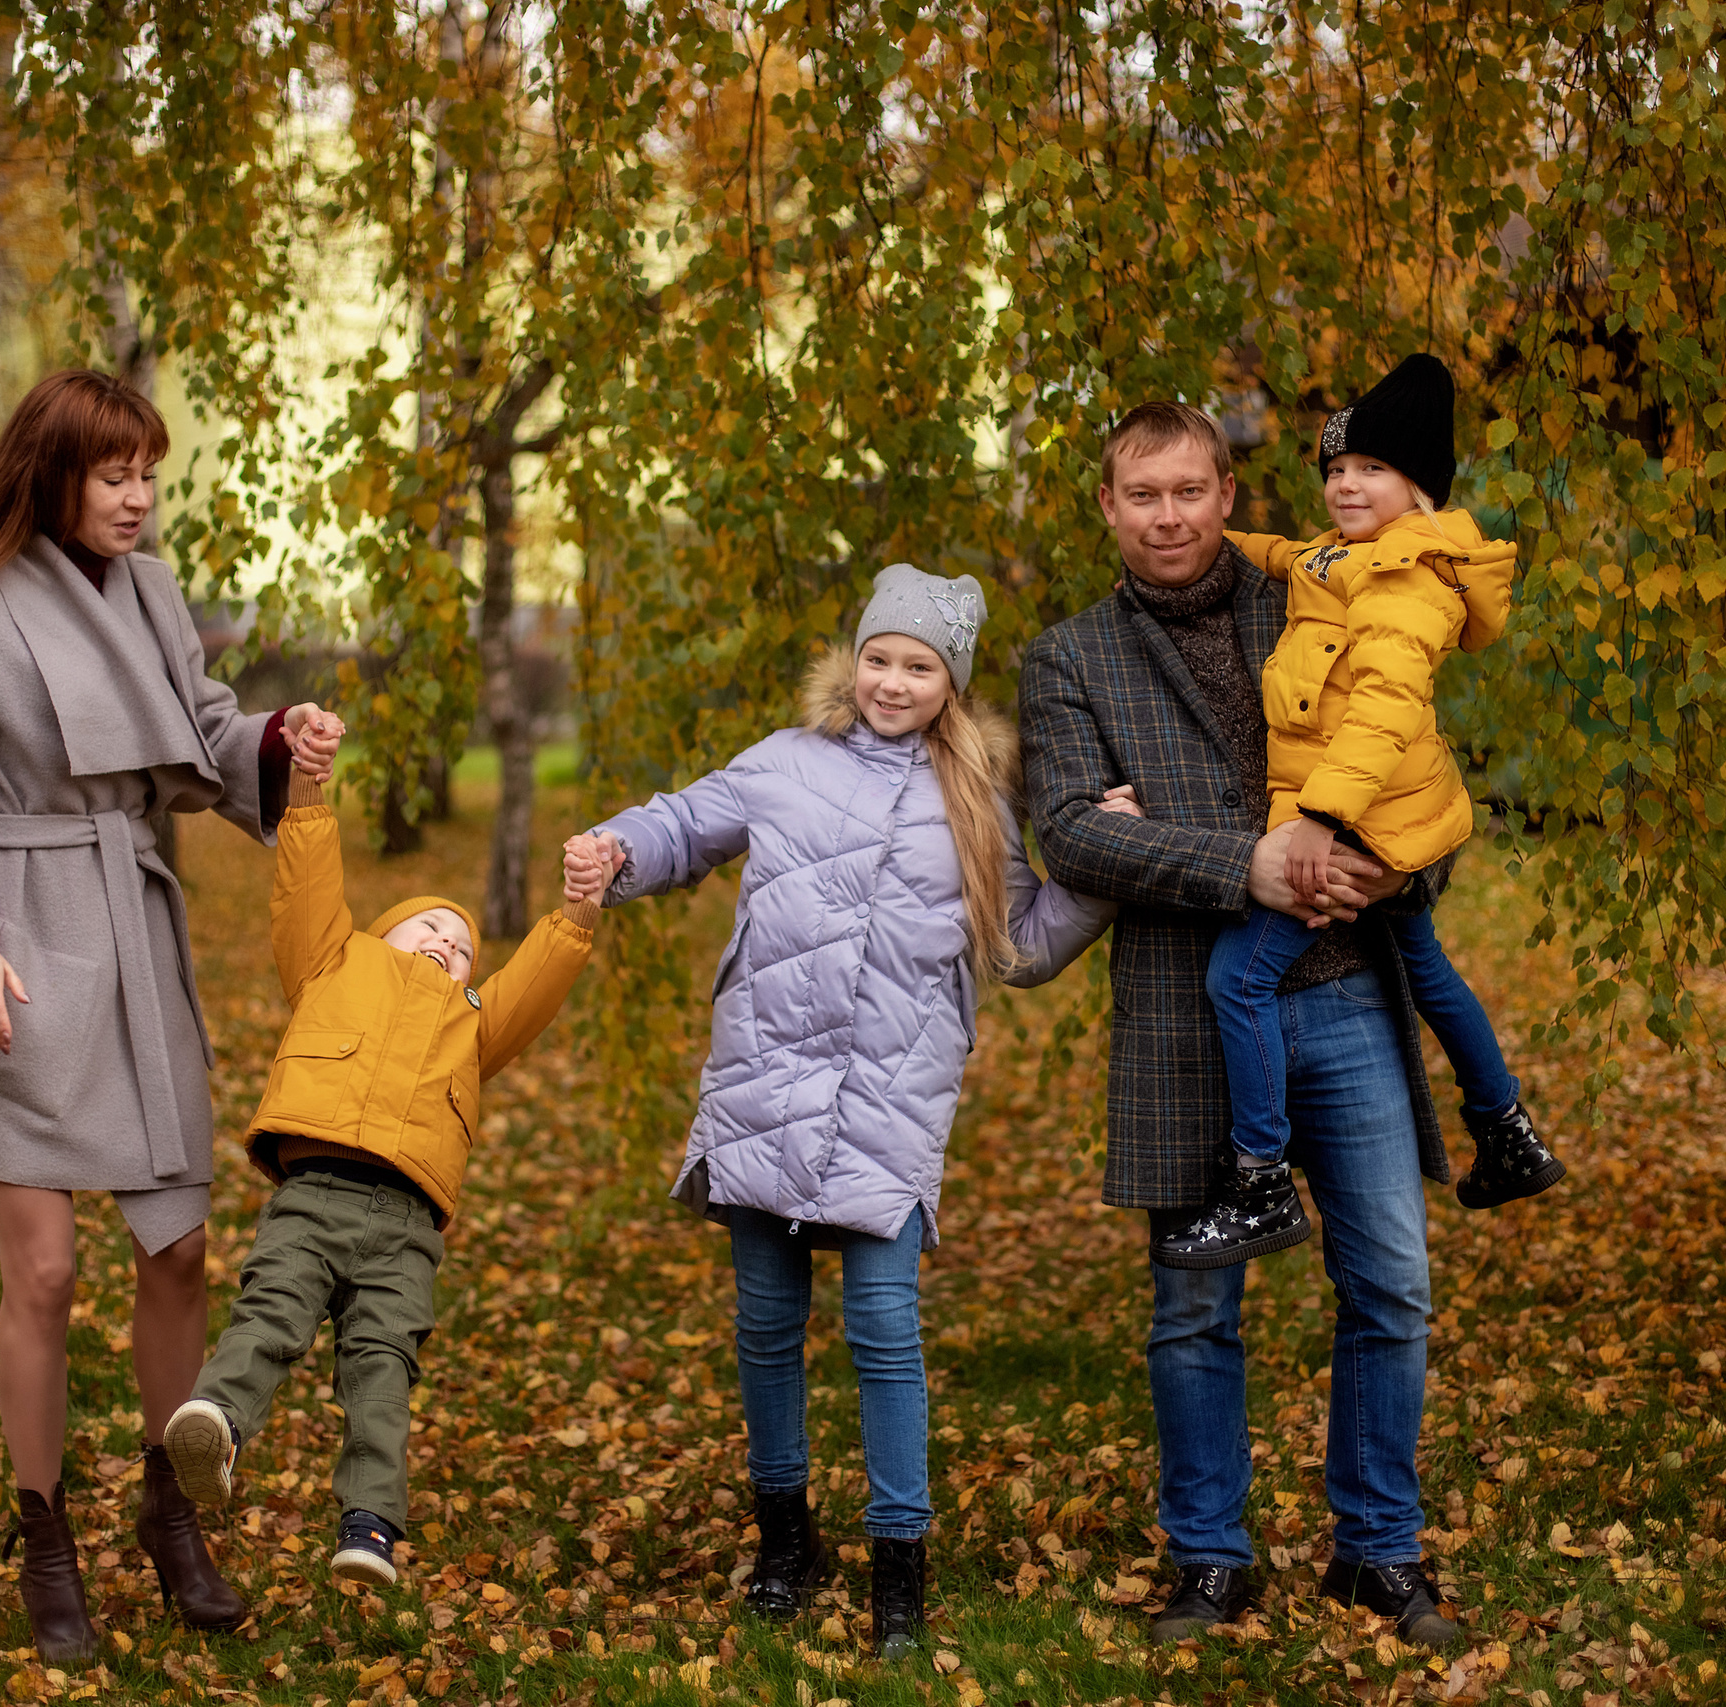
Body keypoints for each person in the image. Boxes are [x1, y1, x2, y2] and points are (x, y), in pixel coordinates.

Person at [0, 369, 344, 1662]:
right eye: (115, 473)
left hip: (133, 934)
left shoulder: (154, 591)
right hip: (7, 946)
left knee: (177, 1251)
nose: (137, 497)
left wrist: (278, 744)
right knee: (47, 1269)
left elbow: (205, 730)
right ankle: (44, 1526)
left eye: (148, 475)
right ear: (51, 472)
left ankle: (168, 1510)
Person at [576, 567, 1116, 1658]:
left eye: (919, 665)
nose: (892, 679)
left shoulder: (975, 806)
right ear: (852, 660)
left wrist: (1105, 868)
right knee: (767, 1331)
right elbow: (686, 822)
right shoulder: (785, 764)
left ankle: (898, 1568)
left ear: (950, 683)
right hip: (765, 1087)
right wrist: (620, 849)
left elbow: (1017, 944)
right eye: (879, 657)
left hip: (888, 1102)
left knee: (883, 1332)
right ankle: (785, 1540)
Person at [1019, 400, 1470, 1650]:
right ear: (1107, 509)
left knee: (1390, 1284)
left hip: (1344, 999)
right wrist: (1245, 866)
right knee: (1193, 1310)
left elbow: (1413, 756)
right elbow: (1071, 830)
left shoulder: (1315, 602)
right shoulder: (1069, 659)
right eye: (1141, 495)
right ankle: (1211, 1559)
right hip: (1185, 1022)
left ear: (1227, 495)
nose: (1168, 515)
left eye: (1188, 490)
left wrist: (1394, 872)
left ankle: (1377, 1552)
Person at [1156, 354, 1563, 1272]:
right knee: (1425, 968)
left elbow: (1382, 712)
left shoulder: (1407, 584)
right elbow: (1294, 557)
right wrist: (1227, 539)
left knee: (1239, 979)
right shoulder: (1355, 560)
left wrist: (1319, 823)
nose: (1346, 483)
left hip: (1358, 819)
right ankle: (1505, 1128)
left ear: (1419, 491)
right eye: (1336, 469)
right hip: (1401, 816)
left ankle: (1260, 1178)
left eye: (1372, 469)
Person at [160, 762, 607, 1588]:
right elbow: (305, 889)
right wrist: (308, 795)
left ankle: (368, 1525)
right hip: (315, 1190)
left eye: (464, 944)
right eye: (427, 927)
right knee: (272, 1313)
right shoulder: (332, 964)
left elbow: (541, 979)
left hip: (406, 1224)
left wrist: (581, 909)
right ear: (378, 935)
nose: (447, 941)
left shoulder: (473, 1025)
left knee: (382, 1368)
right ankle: (217, 1420)